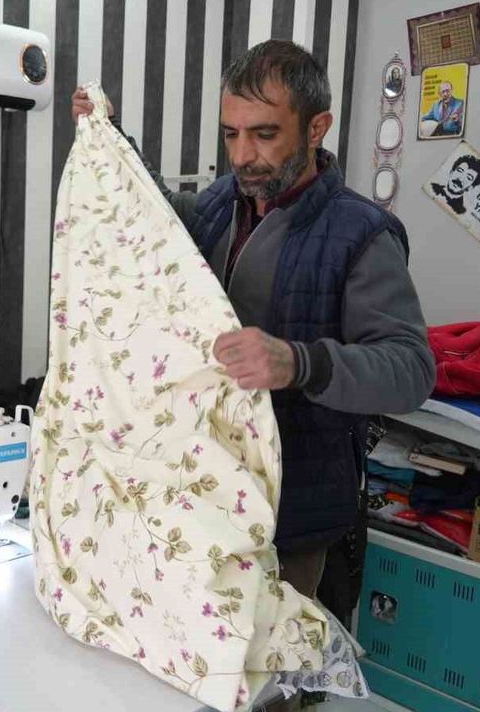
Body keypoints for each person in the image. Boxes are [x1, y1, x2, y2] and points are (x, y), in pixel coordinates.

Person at [73, 40, 435, 709]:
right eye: (231, 134)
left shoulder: (361, 234)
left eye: (265, 135)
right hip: (197, 498)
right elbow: (157, 222)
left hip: (289, 516)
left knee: (265, 689)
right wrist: (112, 144)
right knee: (187, 677)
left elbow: (411, 370)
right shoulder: (222, 204)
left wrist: (299, 362)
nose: (243, 155)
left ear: (317, 127)